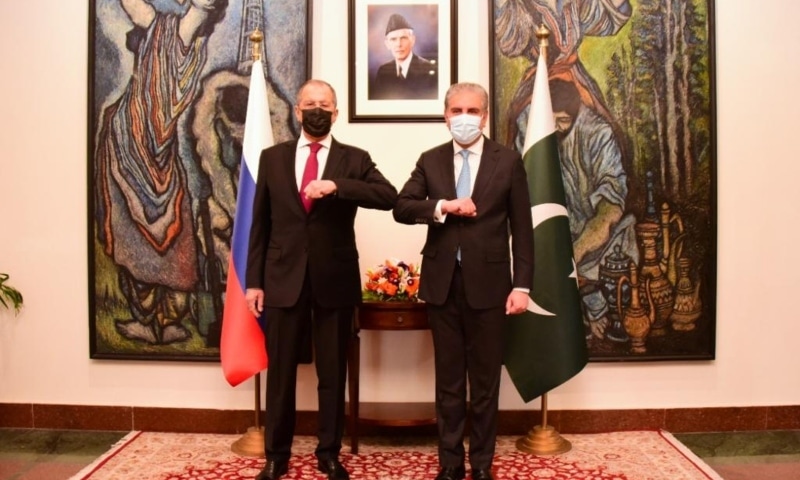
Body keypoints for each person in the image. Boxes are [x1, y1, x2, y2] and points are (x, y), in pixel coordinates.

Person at [245, 79, 397, 480]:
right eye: (309, 103)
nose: (317, 109)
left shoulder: (353, 157)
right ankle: (276, 456)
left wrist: (337, 186)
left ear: (336, 112)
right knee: (281, 375)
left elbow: (389, 196)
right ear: (297, 111)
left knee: (333, 374)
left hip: (334, 280)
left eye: (324, 104)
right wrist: (253, 282)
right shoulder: (272, 158)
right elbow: (259, 225)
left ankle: (328, 452)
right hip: (281, 280)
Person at [392, 82, 534, 480]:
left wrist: (521, 286)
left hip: (491, 287)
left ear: (485, 116)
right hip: (442, 286)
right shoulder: (431, 160)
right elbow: (401, 206)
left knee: (485, 383)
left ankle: (482, 465)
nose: (464, 118)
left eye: (473, 111)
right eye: (457, 110)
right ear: (445, 115)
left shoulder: (507, 161)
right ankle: (450, 464)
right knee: (449, 381)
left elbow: (523, 229)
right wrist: (442, 206)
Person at [94, 0, 229, 345]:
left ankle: (167, 320)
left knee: (174, 236)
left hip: (160, 152)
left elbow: (192, 19)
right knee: (131, 230)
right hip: (129, 141)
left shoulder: (184, 35)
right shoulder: (162, 26)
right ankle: (146, 319)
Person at [547, 79, 637, 339]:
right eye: (548, 121)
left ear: (575, 115)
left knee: (625, 239)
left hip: (593, 236)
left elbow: (610, 210)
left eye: (562, 121)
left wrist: (571, 257)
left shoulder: (598, 133)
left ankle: (588, 295)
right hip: (552, 232)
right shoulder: (528, 125)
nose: (553, 129)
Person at [369, 13, 438, 100]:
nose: (398, 44)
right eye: (393, 39)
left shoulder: (429, 69)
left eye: (403, 38)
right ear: (387, 44)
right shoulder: (383, 72)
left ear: (413, 40)